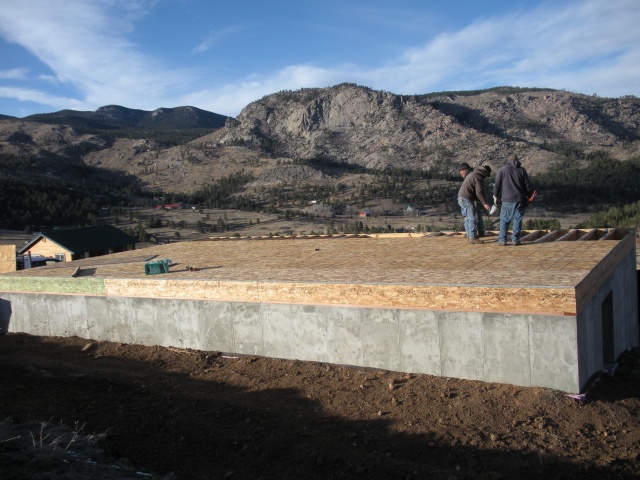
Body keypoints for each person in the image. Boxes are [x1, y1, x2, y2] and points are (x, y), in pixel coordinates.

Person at [493, 153, 533, 246]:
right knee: (517, 220)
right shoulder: (522, 170)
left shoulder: (502, 170)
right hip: (520, 199)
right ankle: (515, 240)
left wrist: (495, 196)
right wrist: (529, 196)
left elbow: (497, 185)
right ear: (517, 161)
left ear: (508, 161)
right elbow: (527, 186)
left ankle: (502, 240)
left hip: (507, 199)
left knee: (504, 220)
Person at [457, 162, 492, 244]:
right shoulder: (478, 177)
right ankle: (472, 237)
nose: (486, 177)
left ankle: (469, 235)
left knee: (467, 217)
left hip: (461, 198)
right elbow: (479, 193)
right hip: (467, 199)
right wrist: (485, 203)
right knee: (472, 218)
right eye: (487, 176)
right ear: (485, 173)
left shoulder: (473, 174)